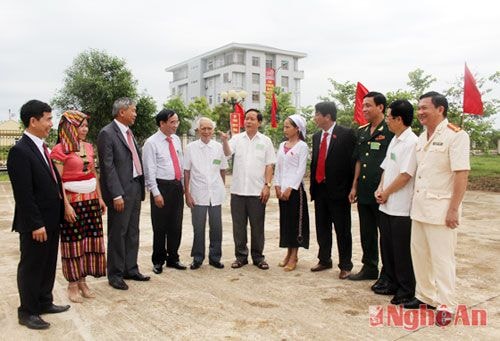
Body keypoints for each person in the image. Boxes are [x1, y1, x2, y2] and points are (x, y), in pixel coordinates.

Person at [404, 91, 470, 313]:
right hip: (420, 208)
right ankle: (425, 296)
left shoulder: (456, 135)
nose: (420, 112)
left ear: (440, 109)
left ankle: (446, 304)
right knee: (420, 256)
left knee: (442, 260)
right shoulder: (422, 136)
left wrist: (454, 209)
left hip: (442, 210)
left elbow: (461, 175)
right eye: (419, 108)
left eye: (425, 108)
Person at [7, 100, 70, 330]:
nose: (51, 124)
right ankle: (28, 311)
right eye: (48, 119)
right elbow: (23, 194)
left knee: (47, 264)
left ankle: (44, 301)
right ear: (33, 121)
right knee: (32, 266)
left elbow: (52, 183)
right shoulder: (20, 151)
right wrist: (35, 223)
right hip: (36, 223)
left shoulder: (42, 148)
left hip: (52, 219)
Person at [50, 111, 107, 303]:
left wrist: (99, 198)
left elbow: (93, 174)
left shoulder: (89, 147)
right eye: (81, 126)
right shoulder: (59, 150)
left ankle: (83, 282)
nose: (85, 129)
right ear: (70, 128)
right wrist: (65, 206)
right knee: (73, 244)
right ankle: (72, 285)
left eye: (86, 126)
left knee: (89, 241)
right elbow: (57, 182)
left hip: (91, 202)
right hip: (72, 203)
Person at [97, 97, 150, 290]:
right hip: (120, 192)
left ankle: (131, 268)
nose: (135, 114)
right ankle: (115, 274)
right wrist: (116, 194)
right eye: (133, 110)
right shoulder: (107, 133)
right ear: (122, 112)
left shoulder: (129, 132)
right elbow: (108, 167)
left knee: (132, 231)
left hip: (135, 188)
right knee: (118, 232)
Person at [220, 109, 276, 270]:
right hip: (238, 191)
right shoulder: (237, 139)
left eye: (252, 119)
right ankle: (241, 257)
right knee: (239, 227)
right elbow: (227, 154)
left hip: (257, 192)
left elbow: (269, 165)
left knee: (257, 226)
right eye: (247, 118)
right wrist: (225, 140)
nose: (248, 121)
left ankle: (258, 257)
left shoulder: (265, 141)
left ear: (259, 122)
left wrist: (267, 186)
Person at [348, 92, 394, 290]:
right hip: (365, 190)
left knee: (385, 233)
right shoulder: (362, 131)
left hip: (384, 191)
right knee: (366, 231)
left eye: (368, 105)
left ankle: (388, 272)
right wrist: (354, 185)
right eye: (363, 106)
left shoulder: (391, 131)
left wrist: (385, 188)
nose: (364, 109)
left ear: (381, 107)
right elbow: (359, 159)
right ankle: (369, 267)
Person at [374, 100, 417, 304]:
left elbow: (405, 175)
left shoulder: (411, 142)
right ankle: (390, 281)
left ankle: (406, 288)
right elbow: (387, 168)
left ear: (399, 119)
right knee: (387, 246)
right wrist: (380, 188)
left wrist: (387, 192)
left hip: (401, 206)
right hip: (387, 204)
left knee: (402, 250)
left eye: (389, 117)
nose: (387, 121)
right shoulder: (395, 139)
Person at [310, 101, 356, 279]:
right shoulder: (316, 136)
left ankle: (345, 264)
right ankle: (324, 259)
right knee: (322, 227)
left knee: (342, 229)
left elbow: (352, 163)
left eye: (317, 114)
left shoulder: (346, 134)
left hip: (339, 191)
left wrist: (352, 187)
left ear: (327, 116)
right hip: (320, 189)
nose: (315, 117)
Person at [142, 109, 187, 273]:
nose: (176, 125)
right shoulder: (151, 143)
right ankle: (158, 260)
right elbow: (149, 170)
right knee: (160, 226)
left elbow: (180, 164)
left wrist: (182, 184)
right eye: (172, 122)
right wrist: (155, 192)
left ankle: (173, 257)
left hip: (176, 187)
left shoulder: (175, 140)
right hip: (161, 187)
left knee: (176, 225)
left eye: (177, 121)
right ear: (162, 123)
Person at [183, 117, 228, 270]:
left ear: (213, 130)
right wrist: (187, 193)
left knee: (216, 227)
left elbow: (222, 169)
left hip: (215, 193)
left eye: (209, 128)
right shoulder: (190, 148)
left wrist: (222, 187)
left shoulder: (218, 147)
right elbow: (187, 172)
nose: (207, 131)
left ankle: (215, 257)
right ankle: (197, 257)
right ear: (198, 130)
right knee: (198, 227)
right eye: (204, 128)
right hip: (197, 193)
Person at [274, 114, 310, 271]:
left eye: (288, 126)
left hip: (295, 191)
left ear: (297, 129)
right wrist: (277, 185)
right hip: (282, 189)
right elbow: (278, 167)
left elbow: (301, 170)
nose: (285, 129)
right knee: (286, 222)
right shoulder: (282, 145)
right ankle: (288, 253)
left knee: (296, 223)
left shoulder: (302, 146)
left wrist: (290, 187)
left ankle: (294, 255)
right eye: (284, 126)